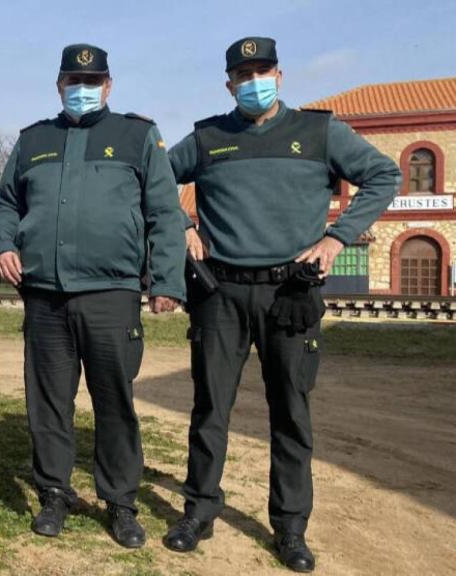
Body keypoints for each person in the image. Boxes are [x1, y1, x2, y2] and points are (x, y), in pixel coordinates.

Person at [162, 37, 401, 573]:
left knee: (290, 413)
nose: (253, 81)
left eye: (261, 70)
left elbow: (384, 175)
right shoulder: (207, 137)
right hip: (219, 294)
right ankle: (198, 512)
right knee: (209, 410)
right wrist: (182, 225)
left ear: (280, 74)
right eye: (241, 74)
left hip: (290, 292)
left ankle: (290, 528)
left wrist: (338, 238)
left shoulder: (319, 132)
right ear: (228, 83)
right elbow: (155, 180)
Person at [0, 43, 186, 547]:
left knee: (114, 402)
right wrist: (1, 246)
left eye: (92, 81)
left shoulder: (137, 135)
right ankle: (55, 492)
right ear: (58, 86)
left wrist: (167, 280)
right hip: (45, 295)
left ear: (109, 85)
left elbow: (164, 213)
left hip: (112, 294)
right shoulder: (33, 140)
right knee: (48, 402)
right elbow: (5, 203)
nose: (82, 90)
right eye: (73, 82)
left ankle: (120, 502)